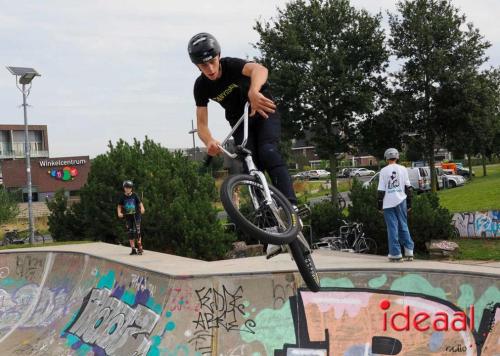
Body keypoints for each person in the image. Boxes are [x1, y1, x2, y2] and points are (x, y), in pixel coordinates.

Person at [188, 32, 298, 257]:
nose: (209, 69)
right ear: (197, 66)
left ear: (218, 56)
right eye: (202, 65)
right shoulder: (201, 87)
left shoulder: (231, 65)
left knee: (267, 152)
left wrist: (254, 91)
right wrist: (208, 140)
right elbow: (201, 124)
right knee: (250, 168)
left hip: (261, 108)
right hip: (239, 121)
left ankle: (291, 207)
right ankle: (270, 229)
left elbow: (260, 69)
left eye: (211, 62)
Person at [377, 148, 414, 262]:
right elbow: (408, 188)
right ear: (397, 157)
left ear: (386, 158)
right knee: (403, 224)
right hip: (401, 200)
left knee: (392, 227)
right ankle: (409, 251)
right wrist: (409, 204)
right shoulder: (403, 169)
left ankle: (395, 253)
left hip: (388, 202)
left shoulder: (383, 171)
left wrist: (380, 206)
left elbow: (381, 191)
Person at [117, 180, 145, 255]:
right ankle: (133, 249)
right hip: (128, 217)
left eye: (129, 188)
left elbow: (140, 203)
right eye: (126, 187)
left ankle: (139, 247)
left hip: (136, 216)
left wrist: (142, 208)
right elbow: (119, 206)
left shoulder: (135, 195)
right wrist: (119, 212)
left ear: (131, 188)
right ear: (124, 188)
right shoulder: (122, 197)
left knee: (137, 232)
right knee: (130, 233)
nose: (127, 189)